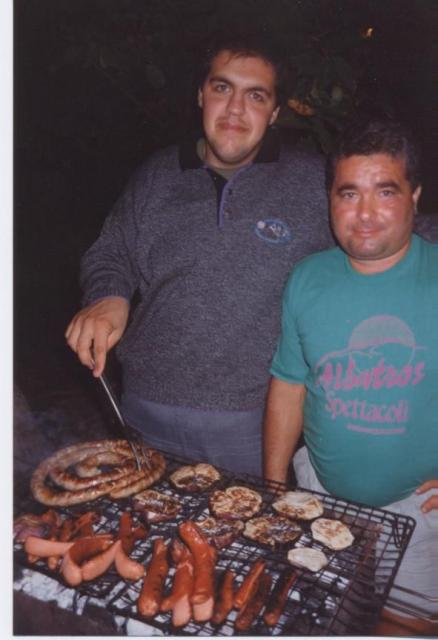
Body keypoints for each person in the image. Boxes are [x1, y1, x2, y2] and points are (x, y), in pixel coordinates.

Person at [65, 34, 333, 477]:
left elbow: (390, 235)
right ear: (201, 95)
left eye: (256, 96)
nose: (235, 109)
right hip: (144, 409)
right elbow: (112, 251)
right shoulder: (157, 175)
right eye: (222, 88)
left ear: (275, 113)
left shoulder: (312, 181)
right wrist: (109, 294)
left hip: (253, 423)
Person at [264, 116, 437, 634]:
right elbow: (289, 384)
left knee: (406, 626)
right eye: (348, 194)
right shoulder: (306, 278)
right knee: (325, 613)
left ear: (414, 196)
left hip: (418, 509)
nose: (364, 214)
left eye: (384, 192)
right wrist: (274, 486)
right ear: (330, 201)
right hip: (320, 490)